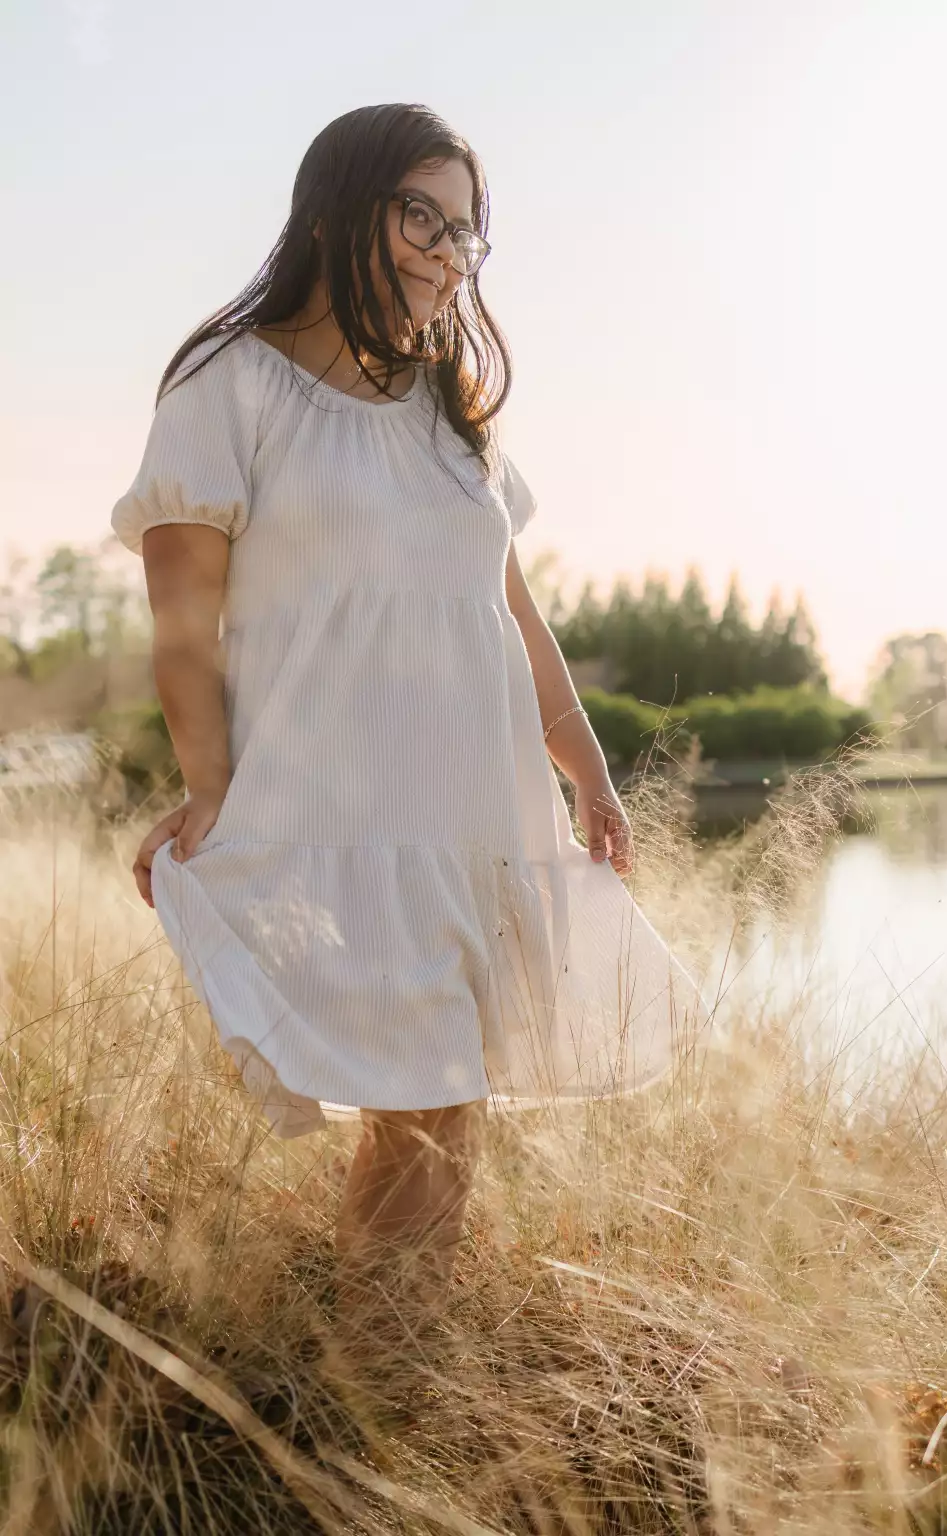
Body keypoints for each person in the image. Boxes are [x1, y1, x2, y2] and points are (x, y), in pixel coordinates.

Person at [112, 102, 701, 1338]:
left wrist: (583, 763)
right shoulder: (230, 386)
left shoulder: (451, 408)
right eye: (419, 214)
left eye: (467, 232)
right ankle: (385, 1388)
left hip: (471, 802)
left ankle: (390, 1383)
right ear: (340, 206)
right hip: (336, 807)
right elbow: (182, 626)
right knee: (422, 1099)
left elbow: (503, 607)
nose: (445, 250)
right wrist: (212, 788)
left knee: (446, 1102)